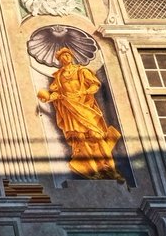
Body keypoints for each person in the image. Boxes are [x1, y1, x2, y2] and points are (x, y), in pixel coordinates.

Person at [37, 47, 122, 180]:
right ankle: (94, 171)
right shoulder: (59, 76)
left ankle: (112, 169)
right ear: (59, 60)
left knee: (97, 137)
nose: (65, 58)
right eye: (62, 57)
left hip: (85, 107)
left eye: (67, 55)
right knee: (81, 140)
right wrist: (49, 97)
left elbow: (95, 85)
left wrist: (84, 92)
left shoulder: (81, 70)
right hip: (70, 109)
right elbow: (57, 93)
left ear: (71, 56)